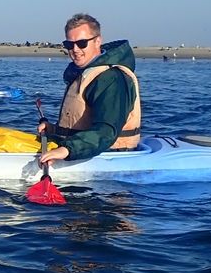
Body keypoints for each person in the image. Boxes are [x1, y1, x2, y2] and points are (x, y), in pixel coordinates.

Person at [37, 13, 141, 167]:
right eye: (69, 45)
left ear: (98, 41)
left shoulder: (111, 78)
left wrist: (66, 150)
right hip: (80, 149)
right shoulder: (87, 73)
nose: (75, 49)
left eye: (82, 43)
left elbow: (106, 131)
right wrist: (52, 129)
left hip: (110, 157)